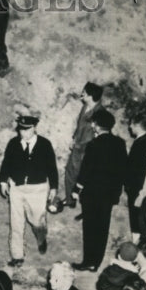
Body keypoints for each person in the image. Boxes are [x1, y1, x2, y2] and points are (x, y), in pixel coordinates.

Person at [0, 106, 58, 262]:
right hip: (17, 188)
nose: (23, 133)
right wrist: (3, 181)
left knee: (36, 219)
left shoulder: (45, 145)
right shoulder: (13, 143)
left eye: (27, 130)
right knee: (16, 223)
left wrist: (54, 187)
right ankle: (17, 256)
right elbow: (6, 163)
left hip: (37, 189)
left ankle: (41, 235)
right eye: (21, 130)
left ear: (34, 128)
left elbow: (52, 167)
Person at [71, 107, 127, 272]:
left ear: (96, 125)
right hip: (109, 194)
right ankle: (96, 262)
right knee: (102, 227)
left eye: (93, 123)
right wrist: (116, 192)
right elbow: (122, 169)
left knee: (90, 228)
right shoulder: (120, 143)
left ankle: (88, 260)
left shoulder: (94, 144)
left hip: (92, 194)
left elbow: (86, 170)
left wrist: (76, 190)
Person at [58, 81, 104, 209]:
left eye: (84, 92)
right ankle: (70, 199)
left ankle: (78, 201)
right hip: (79, 145)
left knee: (81, 175)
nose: (81, 94)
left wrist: (77, 145)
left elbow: (91, 136)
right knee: (71, 173)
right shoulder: (86, 107)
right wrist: (74, 137)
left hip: (86, 150)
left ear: (90, 96)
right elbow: (80, 126)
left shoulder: (98, 113)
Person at [123, 114, 146, 241]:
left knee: (135, 215)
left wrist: (129, 184)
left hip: (136, 186)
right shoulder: (145, 140)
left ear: (137, 126)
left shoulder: (142, 143)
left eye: (131, 124)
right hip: (136, 185)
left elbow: (137, 167)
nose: (129, 127)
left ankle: (137, 241)